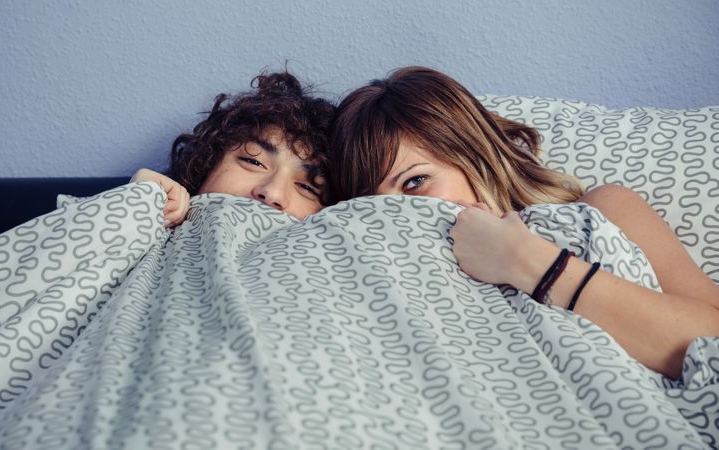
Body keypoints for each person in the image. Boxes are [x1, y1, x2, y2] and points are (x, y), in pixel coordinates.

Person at [328, 66, 719, 379]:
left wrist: (525, 260)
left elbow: (711, 340)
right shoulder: (383, 269)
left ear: (474, 156)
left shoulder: (599, 213)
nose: (399, 213)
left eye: (415, 182)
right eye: (374, 203)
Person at [130, 71, 335, 225]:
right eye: (254, 161)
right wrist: (135, 209)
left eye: (307, 187)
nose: (272, 194)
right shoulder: (149, 222)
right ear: (206, 165)